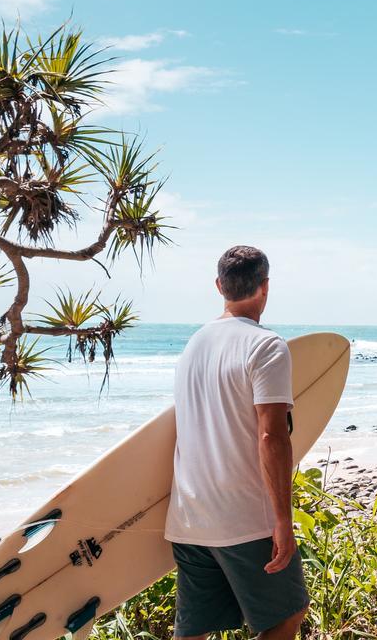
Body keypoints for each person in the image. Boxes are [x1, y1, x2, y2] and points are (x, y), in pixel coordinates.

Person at [164, 246, 308, 640]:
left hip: (189, 516)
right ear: (265, 287)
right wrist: (282, 519)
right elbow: (272, 435)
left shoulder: (192, 347)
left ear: (219, 287)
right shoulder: (266, 346)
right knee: (286, 616)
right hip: (244, 516)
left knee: (194, 630)